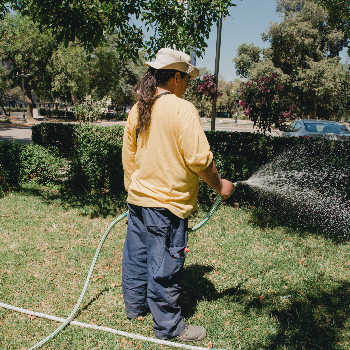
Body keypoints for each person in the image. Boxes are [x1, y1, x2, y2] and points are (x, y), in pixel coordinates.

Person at [122, 48, 235, 342]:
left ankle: (135, 307)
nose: (187, 85)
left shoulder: (138, 108)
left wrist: (135, 190)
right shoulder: (182, 109)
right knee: (164, 268)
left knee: (137, 256)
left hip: (138, 202)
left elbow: (129, 157)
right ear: (175, 77)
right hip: (167, 207)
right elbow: (201, 160)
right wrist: (221, 186)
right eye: (186, 78)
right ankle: (170, 327)